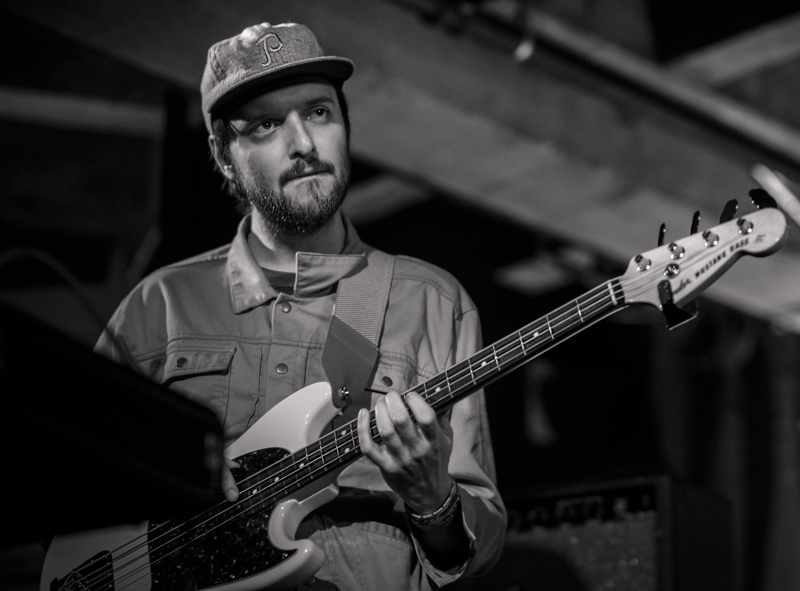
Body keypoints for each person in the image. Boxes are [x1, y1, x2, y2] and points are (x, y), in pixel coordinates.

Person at [95, 21, 506, 590]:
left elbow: (477, 554)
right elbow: (73, 495)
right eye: (267, 124)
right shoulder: (158, 306)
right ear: (222, 153)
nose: (305, 145)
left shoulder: (434, 302)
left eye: (318, 112)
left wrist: (433, 498)